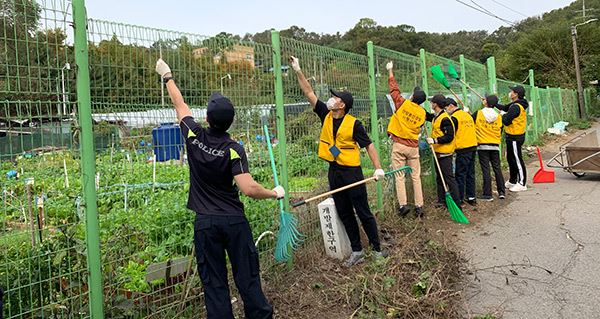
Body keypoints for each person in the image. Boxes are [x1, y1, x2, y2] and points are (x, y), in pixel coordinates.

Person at [156, 58, 282, 319]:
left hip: (206, 224)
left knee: (214, 284)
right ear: (231, 122)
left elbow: (179, 104)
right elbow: (248, 188)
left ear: (206, 118)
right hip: (234, 222)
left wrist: (167, 75)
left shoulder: (194, 136)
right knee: (247, 277)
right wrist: (274, 192)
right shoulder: (234, 149)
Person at [290, 55, 386, 267]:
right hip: (334, 172)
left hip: (352, 172)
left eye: (335, 97)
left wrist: (378, 168)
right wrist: (298, 70)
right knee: (343, 211)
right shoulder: (325, 114)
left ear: (342, 105)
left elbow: (369, 146)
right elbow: (309, 92)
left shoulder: (354, 124)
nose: (331, 99)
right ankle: (357, 250)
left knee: (362, 211)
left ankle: (377, 250)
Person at [385, 61, 427, 217]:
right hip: (413, 147)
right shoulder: (422, 113)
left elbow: (394, 90)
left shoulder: (402, 104)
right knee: (416, 176)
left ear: (412, 96)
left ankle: (403, 206)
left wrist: (390, 71)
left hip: (399, 145)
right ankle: (419, 206)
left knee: (399, 176)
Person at [425, 94, 461, 208]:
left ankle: (457, 204)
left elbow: (449, 136)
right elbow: (428, 116)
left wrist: (434, 140)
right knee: (439, 178)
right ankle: (441, 201)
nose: (431, 104)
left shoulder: (445, 119)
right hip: (438, 153)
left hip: (445, 153)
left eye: (432, 102)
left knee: (449, 178)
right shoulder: (437, 116)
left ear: (435, 104)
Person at [446, 98, 477, 206]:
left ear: (451, 106)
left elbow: (452, 134)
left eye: (446, 108)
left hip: (463, 148)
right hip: (473, 146)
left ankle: (460, 198)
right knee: (470, 173)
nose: (446, 110)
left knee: (460, 174)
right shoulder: (467, 115)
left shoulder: (454, 118)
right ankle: (471, 197)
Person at [473, 95, 506, 201]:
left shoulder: (478, 113)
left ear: (485, 102)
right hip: (495, 145)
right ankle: (502, 192)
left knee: (486, 169)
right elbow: (500, 130)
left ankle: (487, 194)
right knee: (497, 169)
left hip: (482, 145)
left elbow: (470, 121)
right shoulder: (499, 116)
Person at [497, 85, 528, 192]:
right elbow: (505, 107)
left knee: (517, 159)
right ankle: (513, 180)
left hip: (515, 137)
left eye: (512, 91)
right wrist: (494, 104)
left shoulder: (516, 107)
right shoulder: (516, 104)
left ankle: (522, 183)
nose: (510, 93)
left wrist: (502, 115)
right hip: (511, 136)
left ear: (516, 94)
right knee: (510, 158)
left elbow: (506, 120)